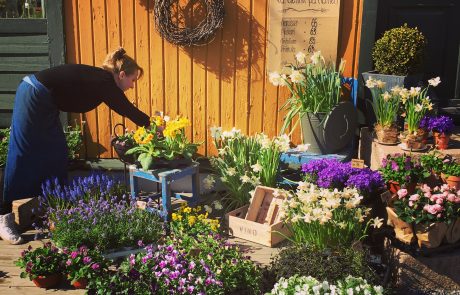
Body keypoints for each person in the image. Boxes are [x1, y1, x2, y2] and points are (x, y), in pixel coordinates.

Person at [0, 48, 150, 244]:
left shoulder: (101, 81)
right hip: (32, 95)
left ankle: (53, 210)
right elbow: (125, 108)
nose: (131, 86)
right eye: (132, 81)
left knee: (57, 153)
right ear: (121, 75)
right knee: (22, 154)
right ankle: (3, 218)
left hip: (46, 103)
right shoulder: (105, 81)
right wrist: (151, 125)